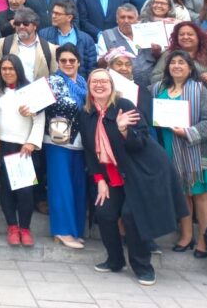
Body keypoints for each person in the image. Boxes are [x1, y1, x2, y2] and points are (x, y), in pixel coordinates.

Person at [80, 68, 187, 287]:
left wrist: (124, 130)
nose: (99, 85)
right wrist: (99, 180)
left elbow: (140, 143)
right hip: (113, 175)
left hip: (142, 171)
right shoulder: (86, 113)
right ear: (89, 86)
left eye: (103, 81)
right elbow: (90, 151)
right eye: (94, 82)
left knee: (131, 215)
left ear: (111, 85)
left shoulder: (124, 106)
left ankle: (143, 267)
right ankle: (115, 260)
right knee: (105, 212)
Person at [152, 50, 207, 256]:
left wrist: (189, 132)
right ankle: (186, 235)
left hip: (196, 150)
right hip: (168, 148)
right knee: (182, 195)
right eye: (173, 63)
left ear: (190, 68)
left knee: (200, 194)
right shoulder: (158, 88)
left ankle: (204, 240)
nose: (177, 66)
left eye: (182, 62)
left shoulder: (199, 90)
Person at [30, 43, 87, 249]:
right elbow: (31, 105)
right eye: (63, 60)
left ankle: (75, 230)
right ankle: (62, 231)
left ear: (79, 62)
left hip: (81, 143)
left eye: (72, 60)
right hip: (57, 142)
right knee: (61, 187)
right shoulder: (50, 82)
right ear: (58, 62)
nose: (68, 64)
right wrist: (26, 108)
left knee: (77, 187)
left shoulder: (83, 83)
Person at [0, 54, 44, 246]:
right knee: (6, 189)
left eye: (11, 69)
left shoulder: (31, 90)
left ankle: (25, 227)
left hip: (23, 147)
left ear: (18, 70)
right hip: (2, 145)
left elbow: (39, 120)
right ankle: (12, 227)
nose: (7, 72)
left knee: (24, 191)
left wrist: (31, 142)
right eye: (4, 69)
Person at [151, 21, 207, 94]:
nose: (185, 37)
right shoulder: (168, 54)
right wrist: (172, 73)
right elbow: (154, 78)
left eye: (190, 34)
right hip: (173, 97)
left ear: (198, 37)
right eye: (181, 34)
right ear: (177, 38)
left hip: (205, 99)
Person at [97, 4, 158, 87]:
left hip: (150, 85)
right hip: (121, 87)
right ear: (117, 19)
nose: (126, 21)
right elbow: (100, 65)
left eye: (130, 17)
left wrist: (157, 51)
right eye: (122, 17)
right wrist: (108, 56)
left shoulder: (146, 32)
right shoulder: (107, 35)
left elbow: (159, 59)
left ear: (137, 19)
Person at [0, 7, 56, 81]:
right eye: (17, 23)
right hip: (10, 90)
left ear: (35, 26)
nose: (21, 26)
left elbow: (54, 77)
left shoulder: (49, 48)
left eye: (26, 23)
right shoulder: (3, 43)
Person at [39, 1, 96, 79]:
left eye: (57, 14)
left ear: (69, 17)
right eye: (53, 13)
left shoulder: (86, 39)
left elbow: (91, 66)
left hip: (79, 84)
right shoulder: (44, 35)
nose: (53, 16)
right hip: (53, 82)